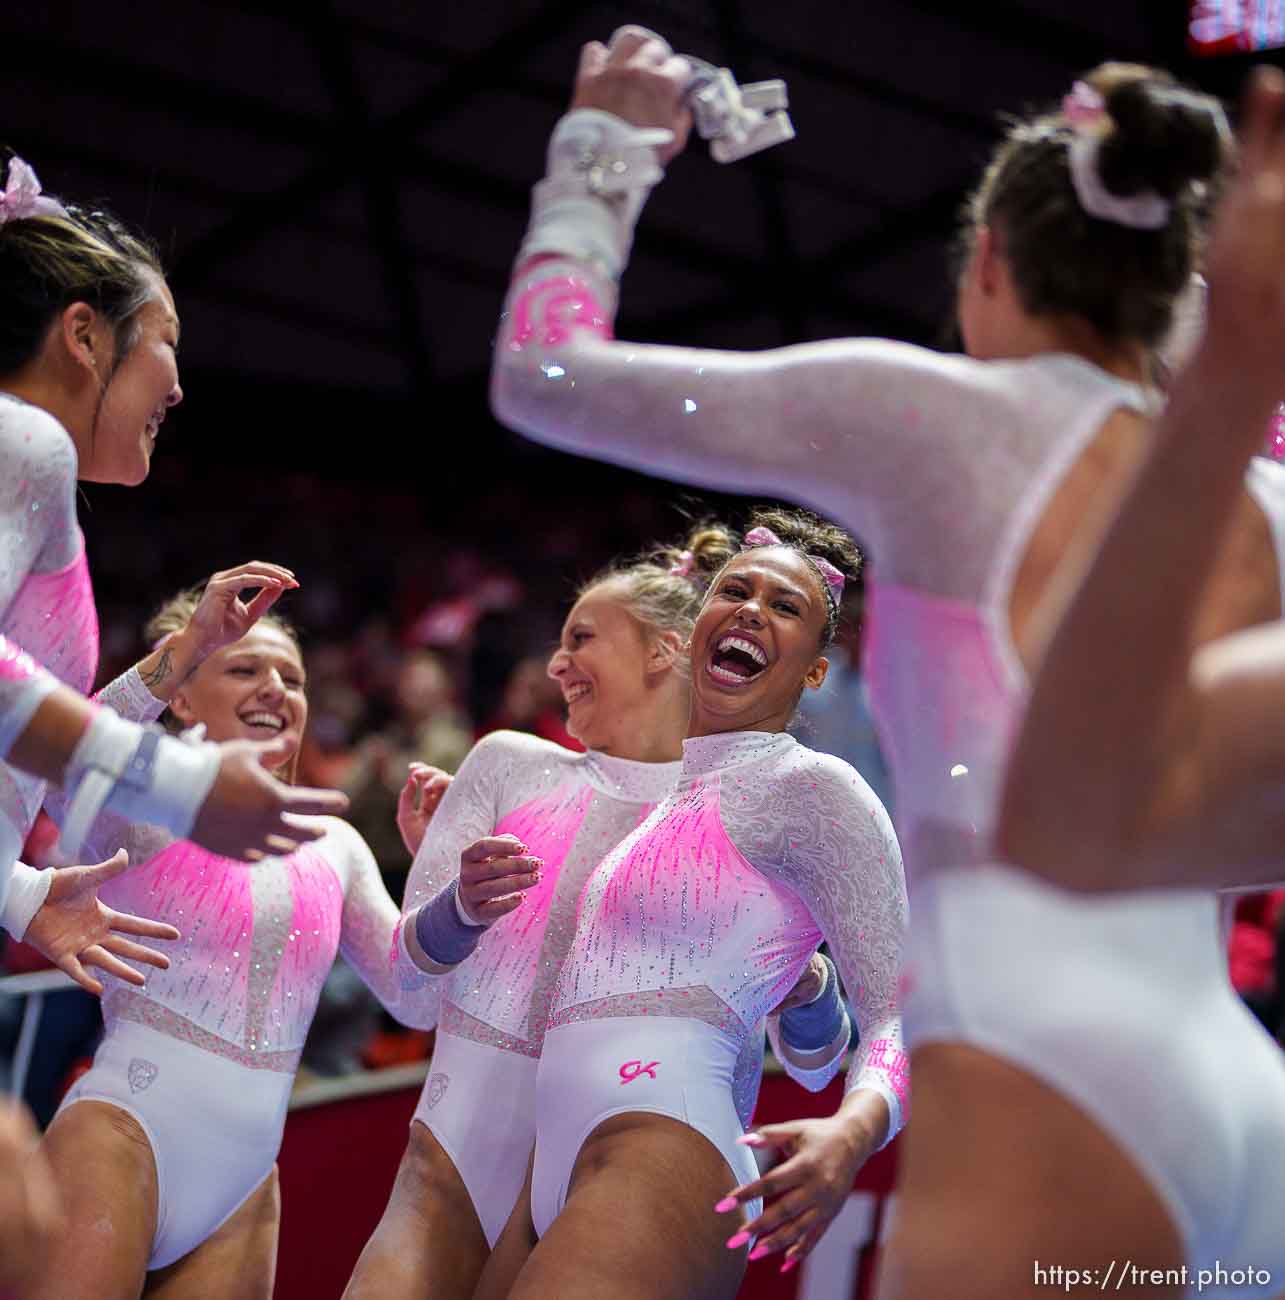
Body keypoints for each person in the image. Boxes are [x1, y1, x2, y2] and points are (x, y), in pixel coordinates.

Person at [488, 29, 1285, 1296]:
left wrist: (606, 152)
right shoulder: (1261, 495)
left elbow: (546, 373)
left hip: (1041, 1077)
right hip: (1237, 1093)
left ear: (987, 260)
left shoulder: (930, 420)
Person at [344, 519, 856, 1300]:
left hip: (634, 1175)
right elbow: (408, 998)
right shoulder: (507, 767)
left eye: (580, 638)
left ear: (664, 649)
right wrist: (459, 911)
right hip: (448, 1175)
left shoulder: (741, 809)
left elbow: (817, 1064)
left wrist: (809, 985)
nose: (556, 664)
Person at [479, 512, 904, 1300]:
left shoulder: (810, 789)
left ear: (815, 672)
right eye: (734, 591)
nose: (749, 609)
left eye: (785, 608)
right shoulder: (660, 796)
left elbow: (897, 1009)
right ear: (699, 620)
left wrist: (852, 1132)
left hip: (663, 1145)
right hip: (556, 1160)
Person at [30, 585, 434, 1300]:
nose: (275, 687)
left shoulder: (335, 843)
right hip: (122, 1133)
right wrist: (184, 649)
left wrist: (455, 896)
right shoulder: (145, 810)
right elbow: (67, 756)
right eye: (244, 668)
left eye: (293, 677)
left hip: (245, 1184)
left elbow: (413, 997)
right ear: (183, 699)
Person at [0, 151, 348, 977]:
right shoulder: (26, 436)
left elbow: (25, 744)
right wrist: (173, 781)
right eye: (167, 341)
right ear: (84, 334)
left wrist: (20, 895)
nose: (181, 386)